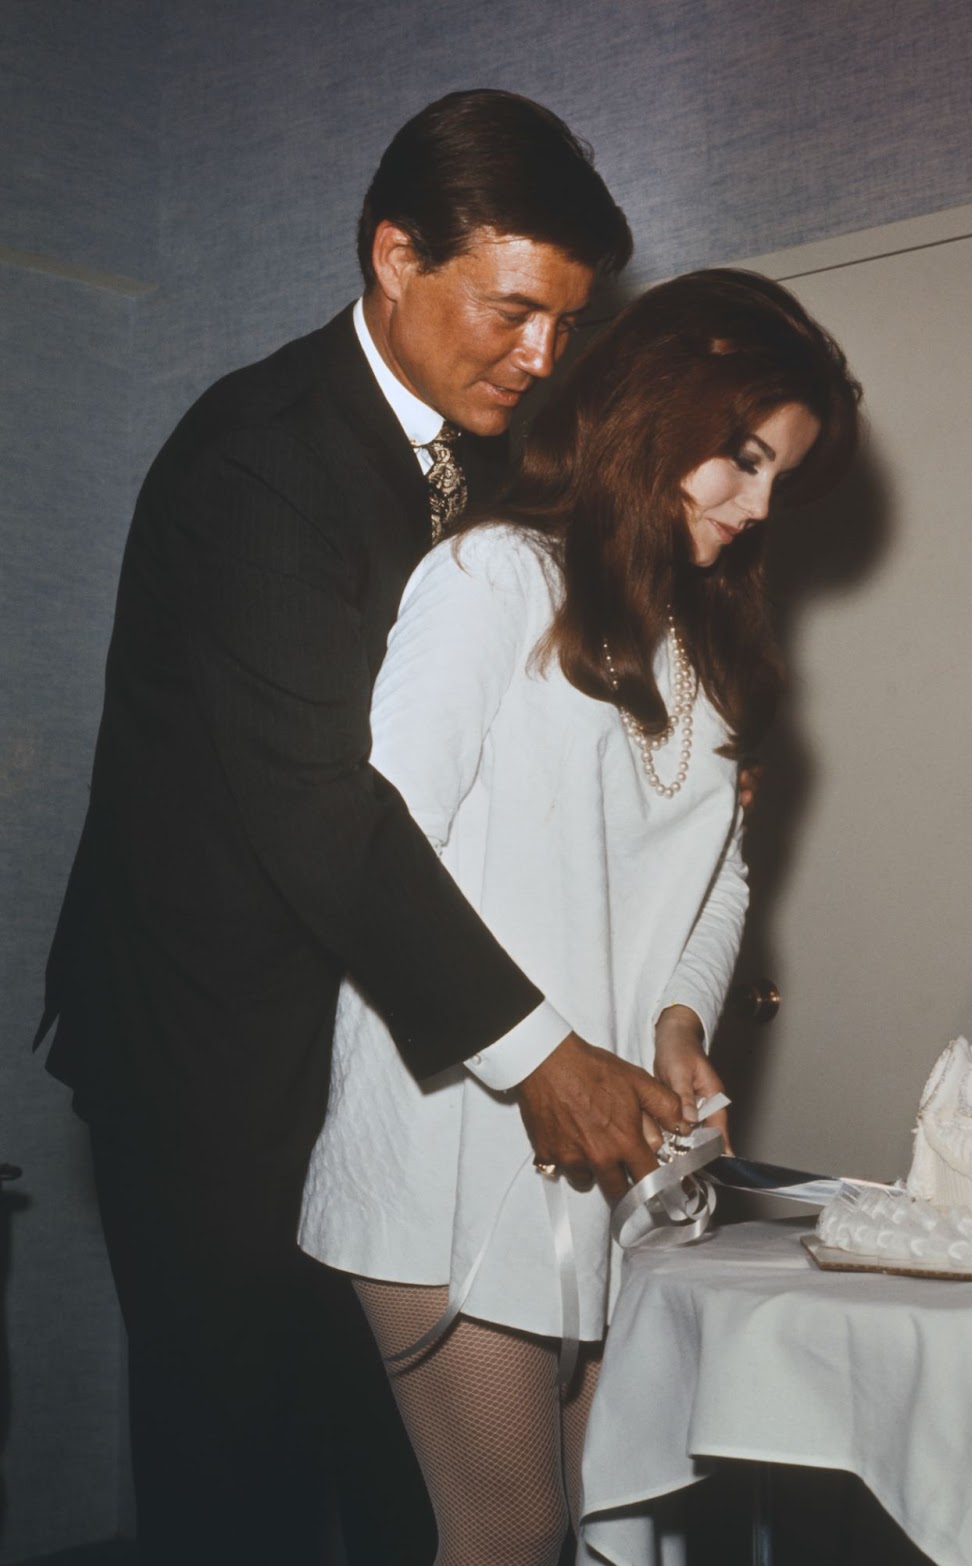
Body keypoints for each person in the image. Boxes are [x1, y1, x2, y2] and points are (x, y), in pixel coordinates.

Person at [33, 90, 680, 1566]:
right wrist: (543, 1053)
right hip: (211, 1059)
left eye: (567, 325)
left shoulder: (497, 457)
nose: (544, 358)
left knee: (408, 1483)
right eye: (515, 311)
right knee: (236, 1486)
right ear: (396, 254)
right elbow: (326, 805)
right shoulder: (258, 458)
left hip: (373, 1043)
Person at [298, 268, 861, 1566]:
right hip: (455, 1134)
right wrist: (534, 1056)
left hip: (613, 1149)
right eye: (745, 456)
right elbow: (373, 849)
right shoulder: (494, 576)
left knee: (608, 1516)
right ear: (661, 403)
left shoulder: (704, 642)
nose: (760, 503)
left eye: (780, 477)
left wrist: (676, 1017)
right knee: (506, 1531)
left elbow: (722, 870)